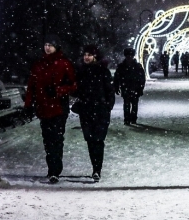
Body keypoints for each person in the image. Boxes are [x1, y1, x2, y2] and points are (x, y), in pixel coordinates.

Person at [24, 34, 76, 184]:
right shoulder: (38, 64)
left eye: (50, 45)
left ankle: (55, 170)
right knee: (48, 140)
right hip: (43, 107)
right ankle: (51, 168)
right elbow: (31, 86)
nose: (47, 48)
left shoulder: (64, 63)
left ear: (56, 47)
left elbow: (73, 84)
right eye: (46, 44)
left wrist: (59, 90)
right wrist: (28, 104)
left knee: (57, 138)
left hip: (59, 107)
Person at [75, 44, 115, 182]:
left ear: (95, 57)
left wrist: (108, 106)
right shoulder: (80, 72)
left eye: (89, 55)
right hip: (86, 111)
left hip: (100, 111)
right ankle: (95, 167)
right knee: (90, 141)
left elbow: (110, 91)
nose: (86, 57)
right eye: (85, 55)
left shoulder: (103, 72)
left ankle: (97, 169)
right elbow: (76, 90)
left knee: (98, 140)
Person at [114, 48, 146, 125]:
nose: (129, 57)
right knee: (128, 104)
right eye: (128, 55)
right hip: (128, 87)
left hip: (132, 87)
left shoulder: (133, 66)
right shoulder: (124, 66)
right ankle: (128, 119)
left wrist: (141, 87)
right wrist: (117, 86)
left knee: (131, 104)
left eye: (130, 55)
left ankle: (131, 118)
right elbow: (117, 77)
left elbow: (142, 78)